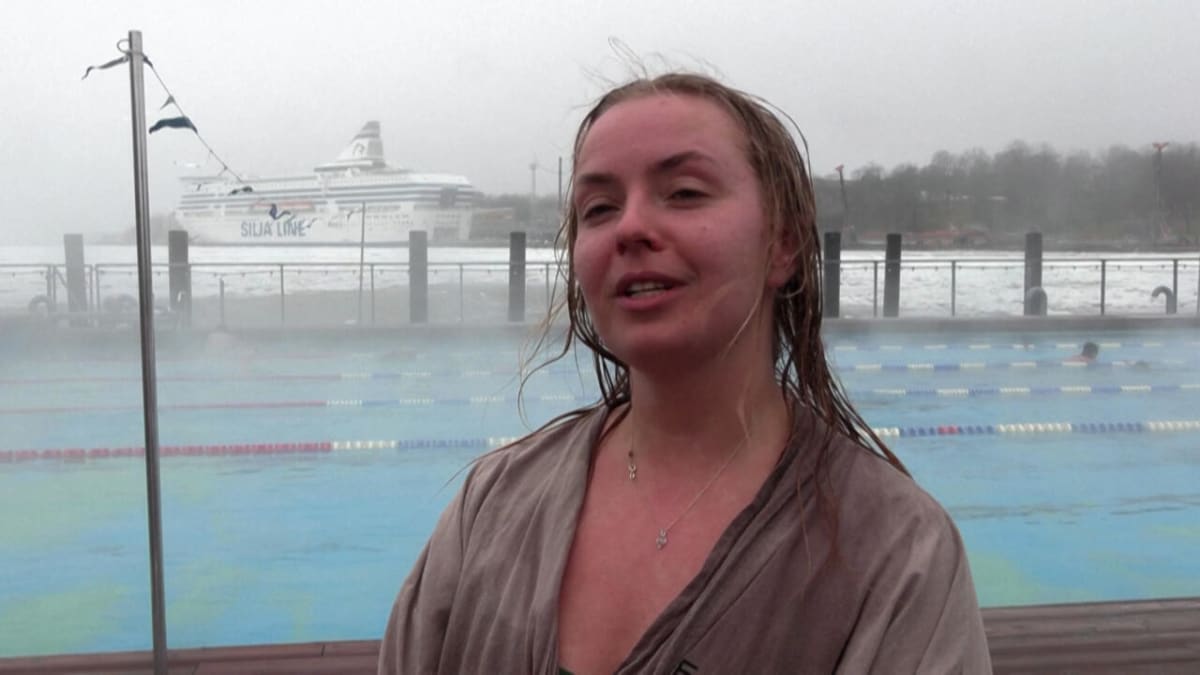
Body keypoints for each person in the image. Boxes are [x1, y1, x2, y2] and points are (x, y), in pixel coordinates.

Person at [379, 73, 992, 673]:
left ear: (782, 243)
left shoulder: (896, 552)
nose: (631, 228)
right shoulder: (492, 506)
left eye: (685, 193)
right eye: (599, 207)